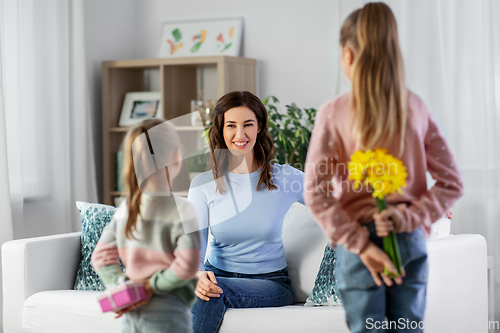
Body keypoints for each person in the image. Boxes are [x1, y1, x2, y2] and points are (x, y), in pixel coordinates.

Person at [303, 3, 464, 333]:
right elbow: (452, 184)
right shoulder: (415, 107)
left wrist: (360, 244)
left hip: (356, 245)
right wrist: (408, 218)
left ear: (347, 55)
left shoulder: (333, 113)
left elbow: (315, 194)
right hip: (408, 241)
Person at [187, 91, 304, 333]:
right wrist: (197, 274)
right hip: (216, 275)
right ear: (221, 129)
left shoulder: (286, 177)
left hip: (271, 283)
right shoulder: (203, 184)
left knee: (211, 292)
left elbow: (335, 203)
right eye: (231, 125)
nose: (240, 135)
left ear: (259, 126)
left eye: (248, 124)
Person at [91, 119, 200, 333]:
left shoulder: (126, 208)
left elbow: (101, 257)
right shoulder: (183, 210)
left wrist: (123, 287)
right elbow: (187, 265)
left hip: (131, 308)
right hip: (168, 311)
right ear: (176, 157)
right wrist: (150, 287)